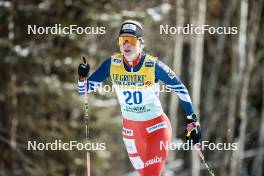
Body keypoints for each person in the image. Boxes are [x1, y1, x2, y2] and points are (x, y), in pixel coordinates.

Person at [77, 20, 201, 176]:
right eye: (123, 41)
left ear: (141, 43)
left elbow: (180, 88)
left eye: (132, 40)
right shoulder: (112, 64)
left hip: (157, 129)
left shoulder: (153, 65)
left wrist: (192, 121)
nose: (126, 45)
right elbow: (84, 91)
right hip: (131, 132)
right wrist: (82, 77)